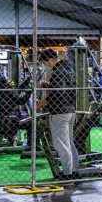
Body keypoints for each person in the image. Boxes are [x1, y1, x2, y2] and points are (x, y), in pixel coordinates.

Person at [37, 48, 78, 178]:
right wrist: (49, 85)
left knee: (61, 146)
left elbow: (59, 93)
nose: (46, 66)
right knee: (70, 144)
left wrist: (42, 102)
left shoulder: (58, 72)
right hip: (70, 110)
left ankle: (67, 174)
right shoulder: (68, 68)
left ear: (49, 60)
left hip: (59, 112)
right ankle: (74, 171)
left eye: (45, 63)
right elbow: (64, 88)